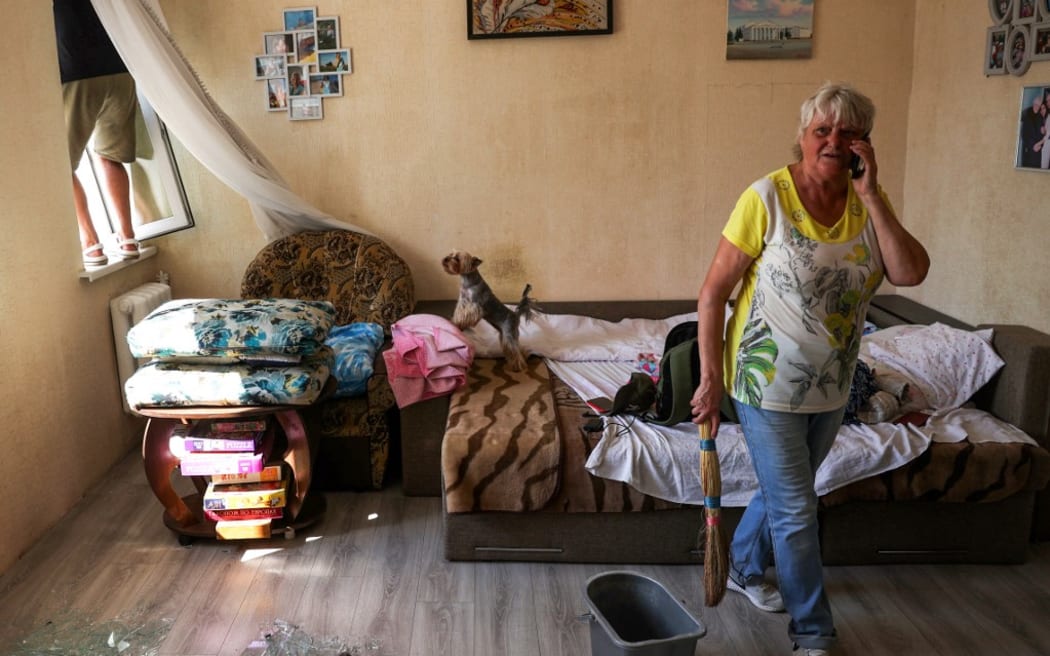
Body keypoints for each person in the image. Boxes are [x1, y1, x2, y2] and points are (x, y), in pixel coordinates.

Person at [690, 82, 929, 656]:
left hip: (832, 385)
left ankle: (746, 566)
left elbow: (911, 272)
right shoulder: (765, 197)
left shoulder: (869, 203)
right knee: (798, 505)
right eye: (822, 129)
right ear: (802, 137)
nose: (833, 140)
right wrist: (710, 375)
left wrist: (872, 196)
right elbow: (712, 292)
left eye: (847, 132)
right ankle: (814, 633)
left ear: (863, 145)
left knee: (783, 493)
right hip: (764, 382)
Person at [54, 0, 141, 269]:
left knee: (61, 166)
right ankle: (128, 239)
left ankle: (91, 244)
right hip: (120, 69)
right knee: (110, 157)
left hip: (76, 71)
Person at [1020, 91, 1045, 169]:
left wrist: (1041, 144)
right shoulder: (1026, 115)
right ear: (1033, 103)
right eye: (1036, 104)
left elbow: (1042, 135)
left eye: (1039, 105)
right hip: (1028, 150)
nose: (1037, 106)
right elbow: (1024, 134)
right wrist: (1032, 146)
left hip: (1037, 152)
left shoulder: (1040, 117)